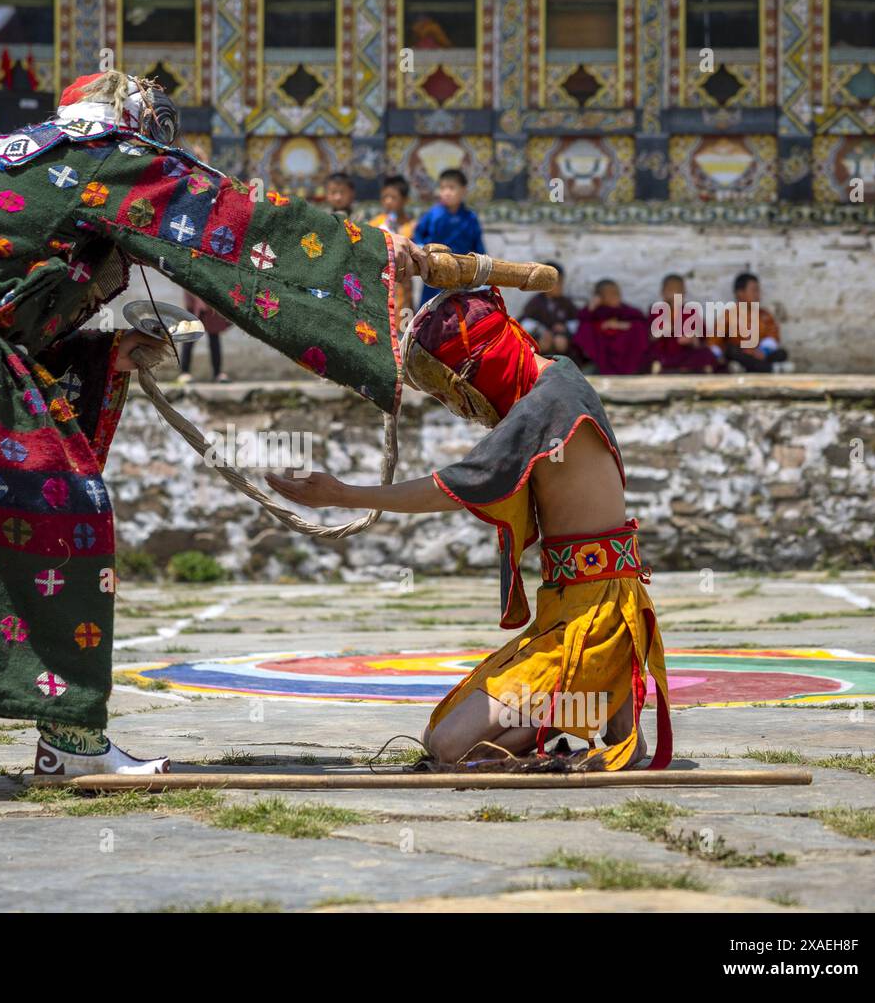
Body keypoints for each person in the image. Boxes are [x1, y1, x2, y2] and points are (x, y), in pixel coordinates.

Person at [0, 70, 430, 778]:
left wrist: (105, 351)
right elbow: (238, 224)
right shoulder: (105, 153)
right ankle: (71, 740)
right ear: (133, 117)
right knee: (64, 509)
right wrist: (376, 257)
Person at [268, 288, 671, 771]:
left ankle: (597, 701)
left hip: (596, 619)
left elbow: (455, 486)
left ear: (489, 361)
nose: (466, 406)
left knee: (449, 745)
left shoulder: (545, 406)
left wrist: (345, 494)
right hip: (579, 605)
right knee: (440, 734)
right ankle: (601, 707)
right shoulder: (563, 376)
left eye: (462, 387)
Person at [412, 168, 486, 307]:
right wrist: (422, 251)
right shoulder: (433, 214)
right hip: (434, 273)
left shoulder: (470, 218)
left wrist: (482, 277)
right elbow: (418, 235)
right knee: (429, 313)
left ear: (463, 190)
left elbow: (479, 248)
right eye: (443, 188)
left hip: (462, 275)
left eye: (451, 188)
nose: (446, 192)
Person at [575, 278, 652, 375]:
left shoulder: (628, 312)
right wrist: (592, 308)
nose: (616, 296)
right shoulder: (594, 313)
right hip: (602, 359)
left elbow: (641, 327)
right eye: (610, 293)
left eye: (617, 292)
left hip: (628, 358)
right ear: (600, 297)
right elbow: (583, 328)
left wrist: (622, 325)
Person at [650, 273, 721, 374]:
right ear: (662, 293)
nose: (674, 294)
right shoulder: (656, 311)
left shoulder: (690, 312)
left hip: (685, 353)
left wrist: (692, 339)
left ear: (684, 293)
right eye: (670, 290)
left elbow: (702, 340)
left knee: (706, 354)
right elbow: (650, 338)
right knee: (651, 356)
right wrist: (667, 329)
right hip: (664, 355)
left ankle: (685, 368)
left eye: (679, 291)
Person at [368, 175, 416, 313]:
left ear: (405, 200)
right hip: (379, 288)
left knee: (404, 329)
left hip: (403, 290)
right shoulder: (374, 224)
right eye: (385, 197)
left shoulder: (411, 226)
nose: (388, 201)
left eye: (393, 197)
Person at [722, 273, 789, 372]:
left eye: (758, 291)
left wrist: (763, 351)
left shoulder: (765, 315)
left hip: (761, 355)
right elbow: (716, 341)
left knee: (782, 353)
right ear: (740, 293)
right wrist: (747, 351)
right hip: (742, 354)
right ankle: (770, 368)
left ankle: (749, 368)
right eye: (754, 290)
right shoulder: (728, 315)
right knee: (731, 351)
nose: (758, 295)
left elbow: (773, 337)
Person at [517, 261, 579, 360]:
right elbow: (524, 322)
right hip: (541, 339)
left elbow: (576, 322)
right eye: (557, 283)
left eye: (561, 282)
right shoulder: (535, 302)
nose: (560, 286)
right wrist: (541, 330)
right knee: (543, 343)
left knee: (560, 342)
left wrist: (565, 328)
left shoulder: (566, 303)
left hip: (562, 339)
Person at [177, 293, 230, 383]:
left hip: (210, 303)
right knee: (190, 336)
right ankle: (184, 372)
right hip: (194, 302)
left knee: (214, 337)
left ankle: (217, 373)